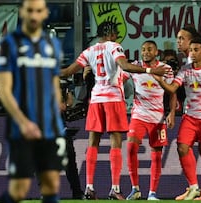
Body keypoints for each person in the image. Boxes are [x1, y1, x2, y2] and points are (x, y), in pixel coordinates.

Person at [60, 21, 167, 200]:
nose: (117, 35)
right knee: (115, 143)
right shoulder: (114, 47)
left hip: (96, 99)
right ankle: (115, 188)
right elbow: (125, 66)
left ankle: (89, 188)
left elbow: (68, 71)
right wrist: (150, 69)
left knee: (92, 142)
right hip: (112, 98)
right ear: (110, 33)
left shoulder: (90, 51)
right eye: (116, 32)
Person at [0, 0, 67, 203]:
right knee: (20, 190)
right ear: (22, 12)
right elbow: (3, 90)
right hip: (22, 128)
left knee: (51, 184)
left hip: (49, 128)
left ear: (45, 13)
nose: (34, 16)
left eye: (38, 11)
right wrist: (24, 122)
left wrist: (56, 120)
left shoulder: (52, 45)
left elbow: (54, 87)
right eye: (29, 11)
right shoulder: (7, 45)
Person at [153, 38, 201, 200]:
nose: (192, 53)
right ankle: (193, 186)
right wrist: (159, 80)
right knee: (182, 147)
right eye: (191, 50)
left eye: (196, 50)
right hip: (190, 117)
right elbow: (173, 88)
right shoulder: (185, 70)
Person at [125, 40, 176, 200]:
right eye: (143, 49)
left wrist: (172, 112)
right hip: (139, 114)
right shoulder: (135, 67)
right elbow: (121, 72)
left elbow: (172, 93)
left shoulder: (166, 69)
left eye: (149, 49)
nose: (145, 52)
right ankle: (135, 189)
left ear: (156, 53)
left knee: (156, 154)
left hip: (158, 117)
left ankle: (152, 193)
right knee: (131, 147)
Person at [174, 26, 201, 201]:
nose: (179, 41)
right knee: (183, 146)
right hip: (190, 113)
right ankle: (194, 188)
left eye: (182, 38)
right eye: (178, 38)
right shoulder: (185, 65)